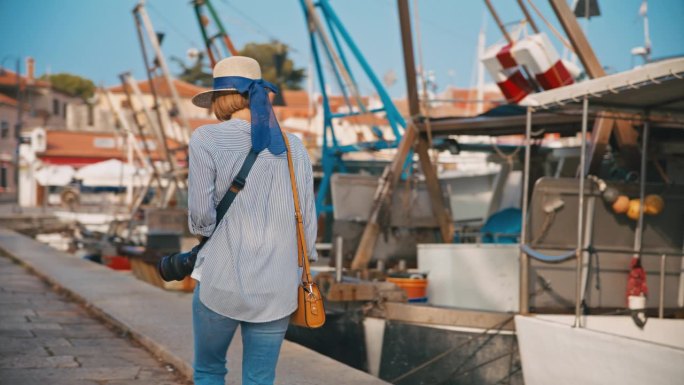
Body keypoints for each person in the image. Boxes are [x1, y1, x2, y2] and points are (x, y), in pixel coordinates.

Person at [187, 56, 318, 385]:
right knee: (260, 379)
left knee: (209, 370)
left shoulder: (205, 139)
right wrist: (305, 262)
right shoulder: (294, 146)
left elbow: (202, 216)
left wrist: (203, 234)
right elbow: (307, 218)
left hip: (221, 276)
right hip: (277, 284)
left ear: (220, 98)